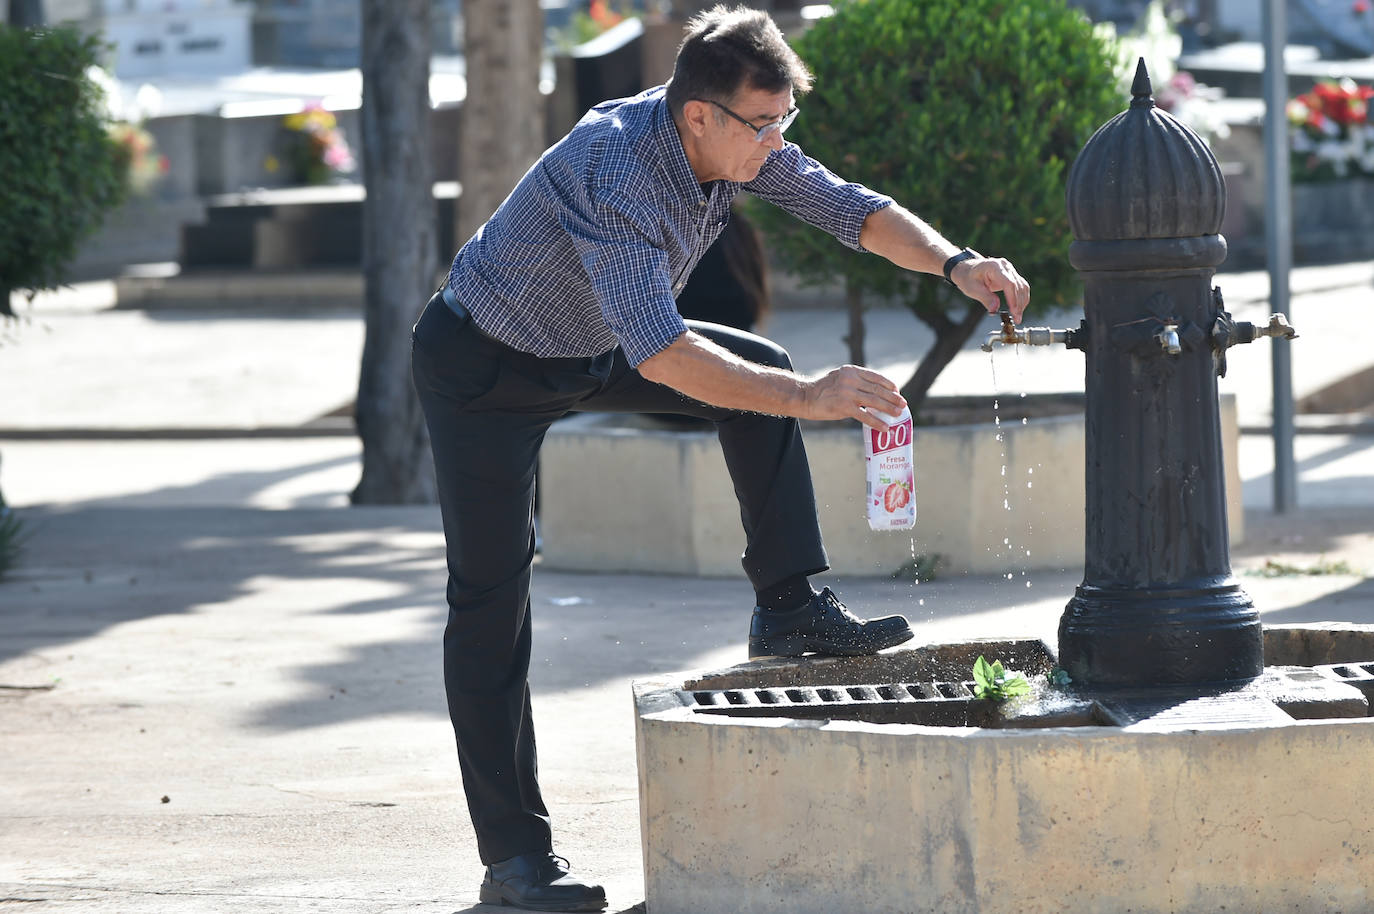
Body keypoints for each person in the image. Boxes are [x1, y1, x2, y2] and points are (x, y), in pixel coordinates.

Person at [410, 6, 1029, 911]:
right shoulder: (616, 170)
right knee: (492, 600)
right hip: (484, 367)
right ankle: (516, 862)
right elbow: (663, 354)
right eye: (763, 125)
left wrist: (958, 264)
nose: (777, 144)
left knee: (762, 369)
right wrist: (812, 400)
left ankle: (787, 606)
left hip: (587, 344)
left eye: (786, 122)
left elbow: (848, 207)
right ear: (698, 113)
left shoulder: (738, 143)